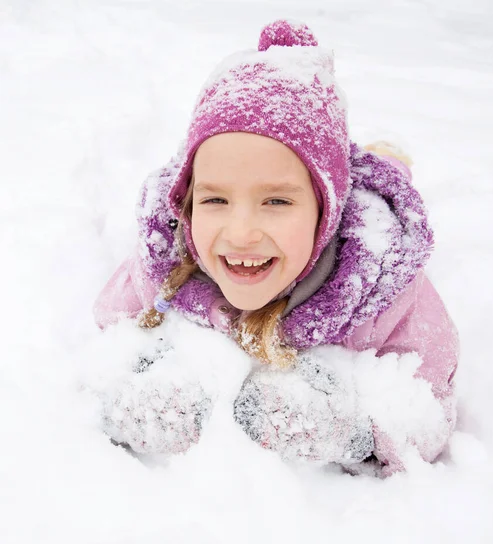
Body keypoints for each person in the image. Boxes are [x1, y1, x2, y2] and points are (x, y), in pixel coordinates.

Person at [93, 20, 459, 476]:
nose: (241, 231)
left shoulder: (380, 283)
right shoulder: (165, 260)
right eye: (215, 199)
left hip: (351, 197)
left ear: (327, 212)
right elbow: (110, 332)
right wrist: (140, 378)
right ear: (188, 201)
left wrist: (353, 433)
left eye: (277, 201)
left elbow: (429, 410)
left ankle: (385, 160)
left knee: (380, 177)